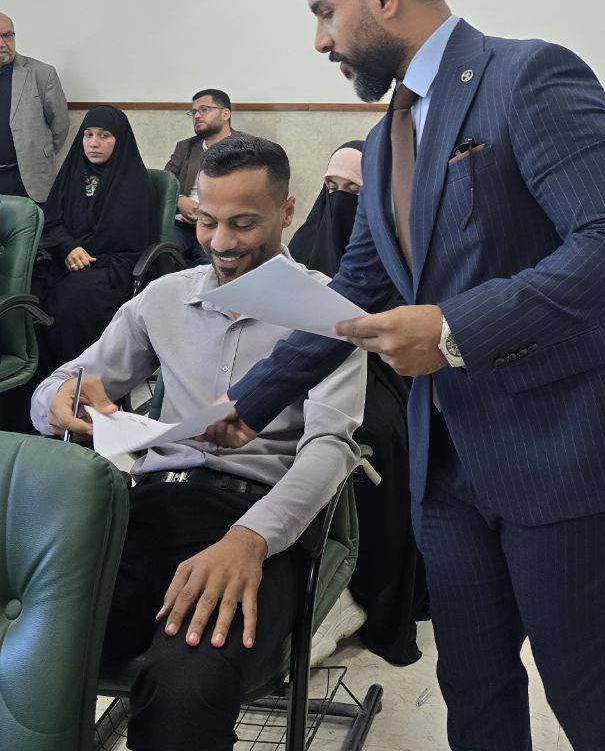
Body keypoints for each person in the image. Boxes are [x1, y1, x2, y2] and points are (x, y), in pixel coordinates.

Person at [202, 0, 605, 751]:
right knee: (474, 690)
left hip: (565, 453)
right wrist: (251, 401)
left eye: (325, 12)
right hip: (448, 468)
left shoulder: (528, 76)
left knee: (593, 696)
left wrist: (455, 327)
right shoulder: (384, 139)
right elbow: (358, 290)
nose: (320, 40)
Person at [32, 135, 366, 751]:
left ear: (287, 210)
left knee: (184, 694)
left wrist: (248, 541)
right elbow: (64, 381)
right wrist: (59, 402)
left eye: (244, 223)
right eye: (207, 221)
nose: (221, 242)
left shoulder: (329, 310)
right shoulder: (165, 298)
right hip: (147, 508)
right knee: (36, 650)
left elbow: (330, 447)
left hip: (255, 520)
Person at [290, 140, 428, 666]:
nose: (339, 199)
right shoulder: (304, 241)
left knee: (379, 434)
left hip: (383, 368)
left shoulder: (398, 249)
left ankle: (372, 586)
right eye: (331, 188)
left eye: (353, 191)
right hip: (309, 360)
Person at [34, 105, 151, 374]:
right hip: (66, 257)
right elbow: (51, 221)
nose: (93, 143)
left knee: (72, 302)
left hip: (112, 264)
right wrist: (69, 246)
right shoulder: (72, 173)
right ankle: (31, 383)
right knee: (29, 293)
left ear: (119, 140)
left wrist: (77, 249)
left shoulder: (132, 181)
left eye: (104, 135)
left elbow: (120, 236)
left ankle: (78, 380)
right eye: (88, 135)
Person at [164, 89, 249, 264]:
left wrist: (209, 214)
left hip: (221, 226)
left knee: (209, 265)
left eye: (204, 110)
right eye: (193, 112)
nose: (196, 116)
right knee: (159, 251)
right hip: (183, 224)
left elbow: (249, 193)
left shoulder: (246, 147)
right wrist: (180, 200)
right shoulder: (185, 147)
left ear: (225, 114)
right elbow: (167, 182)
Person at [0, 11, 69, 201]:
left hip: (28, 181)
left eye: (7, 35)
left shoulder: (42, 74)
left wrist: (38, 156)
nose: (2, 43)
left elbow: (60, 126)